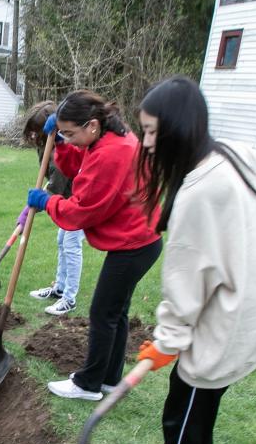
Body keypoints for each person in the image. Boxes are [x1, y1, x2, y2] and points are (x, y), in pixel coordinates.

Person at [114, 76, 256, 444]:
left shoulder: (197, 194)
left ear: (181, 127)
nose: (145, 143)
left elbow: (185, 292)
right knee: (207, 396)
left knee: (186, 399)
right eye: (144, 130)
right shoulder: (233, 152)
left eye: (154, 132)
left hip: (229, 315)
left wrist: (167, 343)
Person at [24, 90, 162, 401]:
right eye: (63, 133)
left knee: (102, 313)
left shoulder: (112, 153)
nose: (68, 139)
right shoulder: (105, 140)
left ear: (92, 125)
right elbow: (77, 167)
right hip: (141, 239)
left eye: (70, 133)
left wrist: (49, 201)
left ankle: (87, 384)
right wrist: (60, 144)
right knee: (116, 312)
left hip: (134, 243)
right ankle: (110, 379)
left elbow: (83, 209)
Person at [19, 101, 85, 316]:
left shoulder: (63, 147)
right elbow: (48, 182)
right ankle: (59, 288)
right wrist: (27, 210)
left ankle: (69, 298)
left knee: (71, 245)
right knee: (61, 241)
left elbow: (55, 188)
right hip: (67, 199)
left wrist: (32, 208)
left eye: (34, 131)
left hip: (79, 202)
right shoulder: (45, 144)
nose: (31, 136)